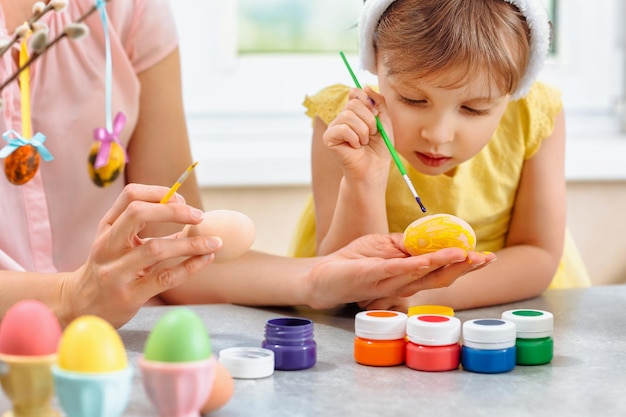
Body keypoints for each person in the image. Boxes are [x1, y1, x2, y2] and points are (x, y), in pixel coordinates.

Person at [0, 0, 495, 329]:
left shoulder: (129, 12)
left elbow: (176, 248)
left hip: (123, 343)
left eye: (475, 107)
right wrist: (71, 294)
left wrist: (317, 279)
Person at [289, 0, 591, 312]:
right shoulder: (345, 124)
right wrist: (363, 181)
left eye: (474, 109)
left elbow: (537, 254)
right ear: (375, 60)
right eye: (413, 99)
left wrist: (424, 295)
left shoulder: (534, 115)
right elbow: (338, 280)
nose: (438, 134)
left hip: (499, 304)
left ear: (513, 91)